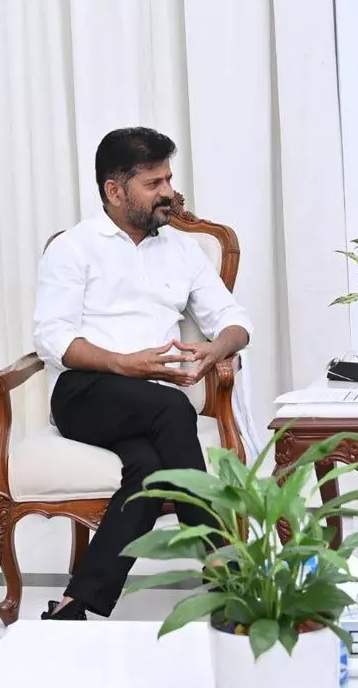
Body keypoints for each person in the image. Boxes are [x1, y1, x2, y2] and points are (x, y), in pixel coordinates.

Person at [33, 127, 252, 621]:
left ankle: (76, 601)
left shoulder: (181, 250)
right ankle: (229, 576)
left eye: (169, 179)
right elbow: (51, 337)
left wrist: (213, 350)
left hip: (151, 404)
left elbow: (236, 320)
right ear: (115, 191)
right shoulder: (73, 248)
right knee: (172, 407)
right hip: (85, 394)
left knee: (150, 471)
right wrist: (124, 363)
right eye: (154, 183)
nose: (169, 193)